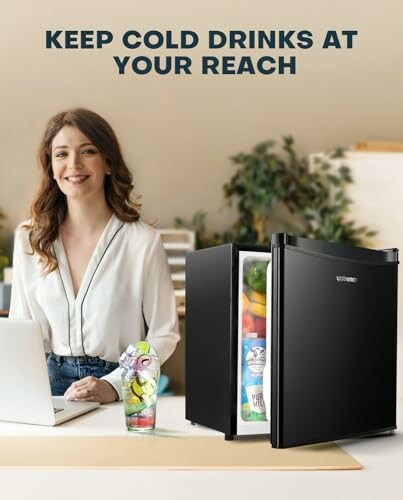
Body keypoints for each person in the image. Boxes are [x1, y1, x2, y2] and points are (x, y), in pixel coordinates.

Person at [9, 108, 180, 403]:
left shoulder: (142, 242)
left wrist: (114, 386)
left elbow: (164, 335)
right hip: (47, 390)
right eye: (61, 154)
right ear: (51, 167)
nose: (73, 164)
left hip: (121, 388)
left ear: (108, 163)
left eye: (87, 151)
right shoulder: (30, 237)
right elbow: (21, 329)